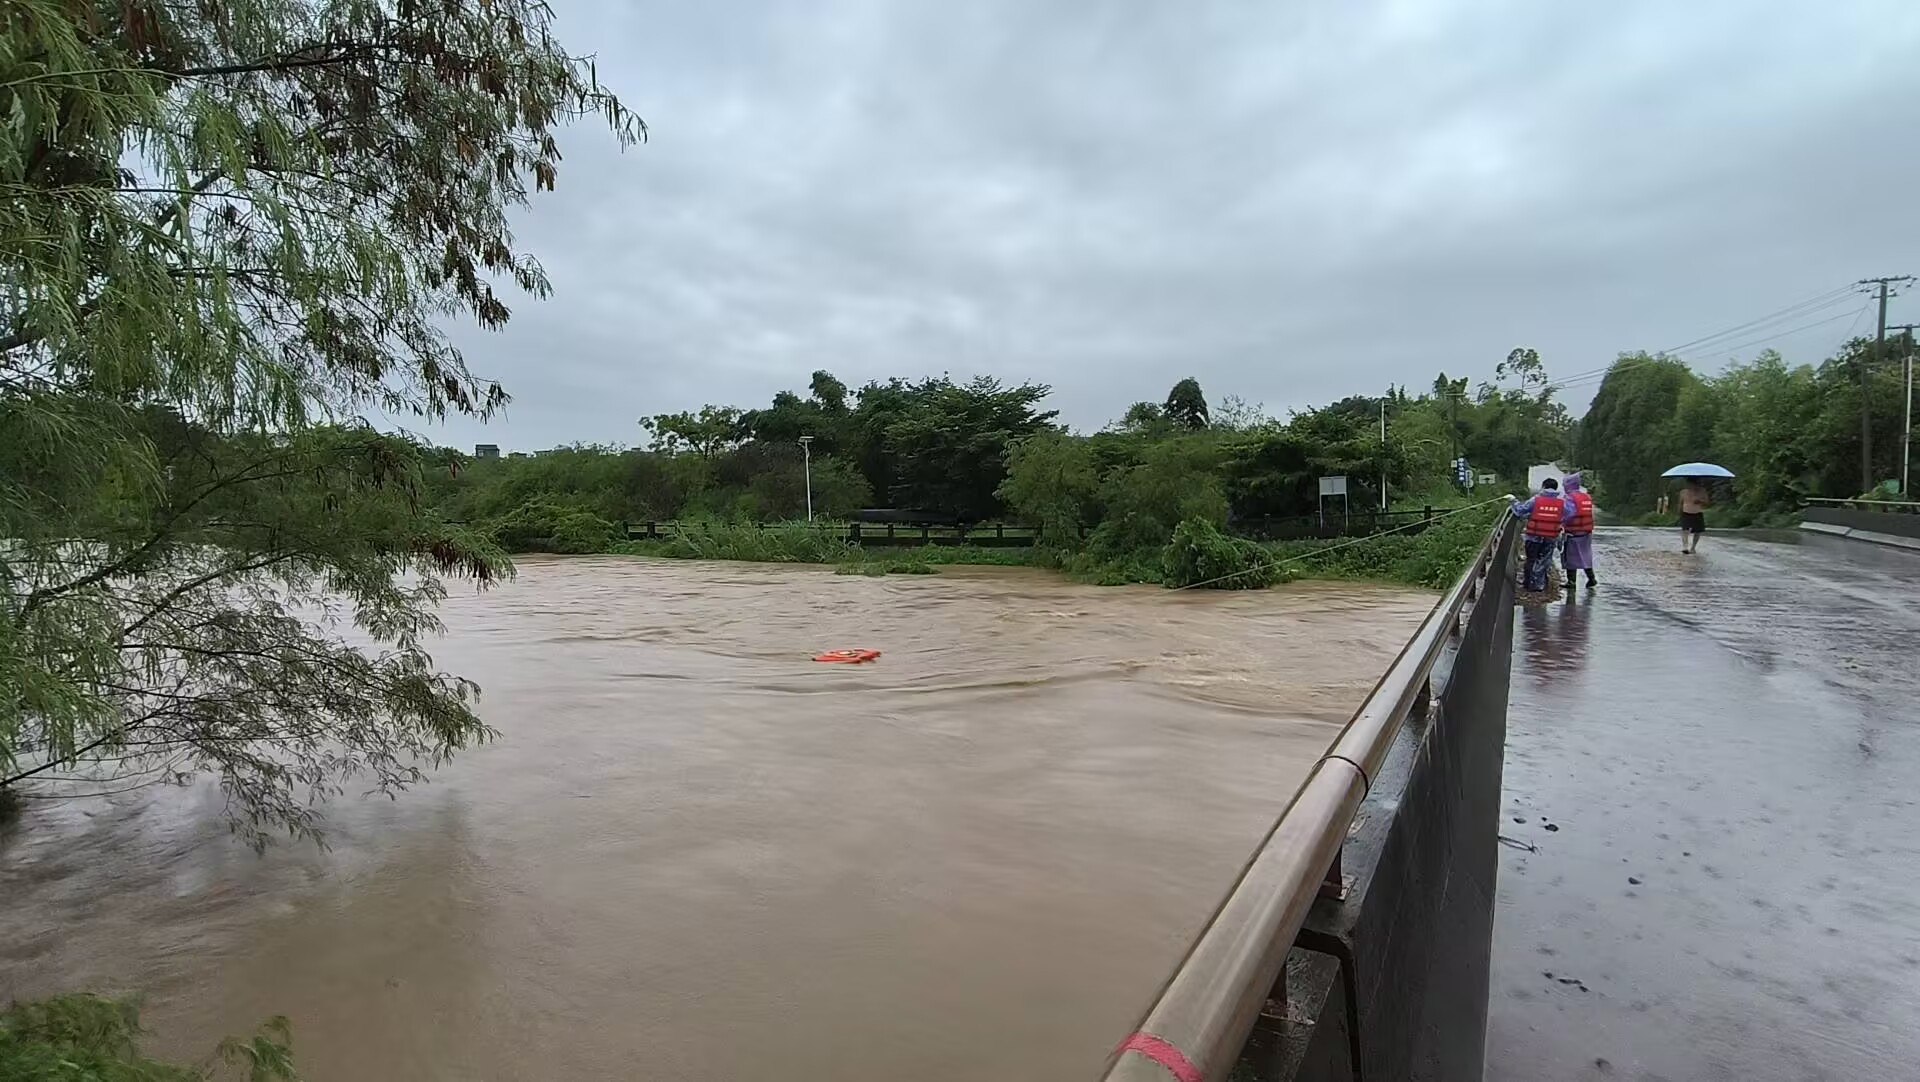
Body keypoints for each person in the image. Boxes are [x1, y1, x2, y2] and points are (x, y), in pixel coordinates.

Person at [1510, 477, 1568, 593]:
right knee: (1544, 560)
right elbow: (1568, 516)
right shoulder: (1562, 502)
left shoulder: (1535, 500)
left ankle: (1529, 584)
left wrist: (1513, 501)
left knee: (1531, 559)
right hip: (1551, 537)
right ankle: (1540, 584)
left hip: (1534, 536)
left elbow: (1520, 510)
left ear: (1544, 487)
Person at [1560, 472, 1597, 590]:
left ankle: (1571, 582)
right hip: (1586, 532)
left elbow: (1569, 513)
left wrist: (1560, 521)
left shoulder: (1569, 498)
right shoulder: (1586, 497)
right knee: (1585, 556)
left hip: (1573, 532)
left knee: (1570, 557)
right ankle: (1591, 578)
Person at [1678, 479, 1711, 553]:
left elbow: (1707, 502)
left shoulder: (1702, 491)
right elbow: (1680, 503)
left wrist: (1700, 501)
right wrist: (1679, 512)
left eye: (1693, 484)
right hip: (1686, 512)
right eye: (1689, 484)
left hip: (1697, 512)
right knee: (1685, 530)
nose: (1691, 486)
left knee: (1697, 531)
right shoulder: (1683, 492)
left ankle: (1693, 547)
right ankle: (1685, 547)